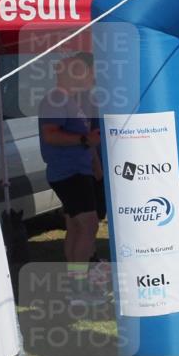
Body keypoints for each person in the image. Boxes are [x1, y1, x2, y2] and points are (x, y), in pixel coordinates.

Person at [38, 52, 103, 275]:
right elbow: (50, 135)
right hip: (67, 172)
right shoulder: (55, 99)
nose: (92, 79)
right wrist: (85, 140)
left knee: (76, 226)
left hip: (80, 171)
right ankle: (79, 285)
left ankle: (76, 283)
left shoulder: (80, 100)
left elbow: (90, 138)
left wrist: (97, 168)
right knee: (88, 225)